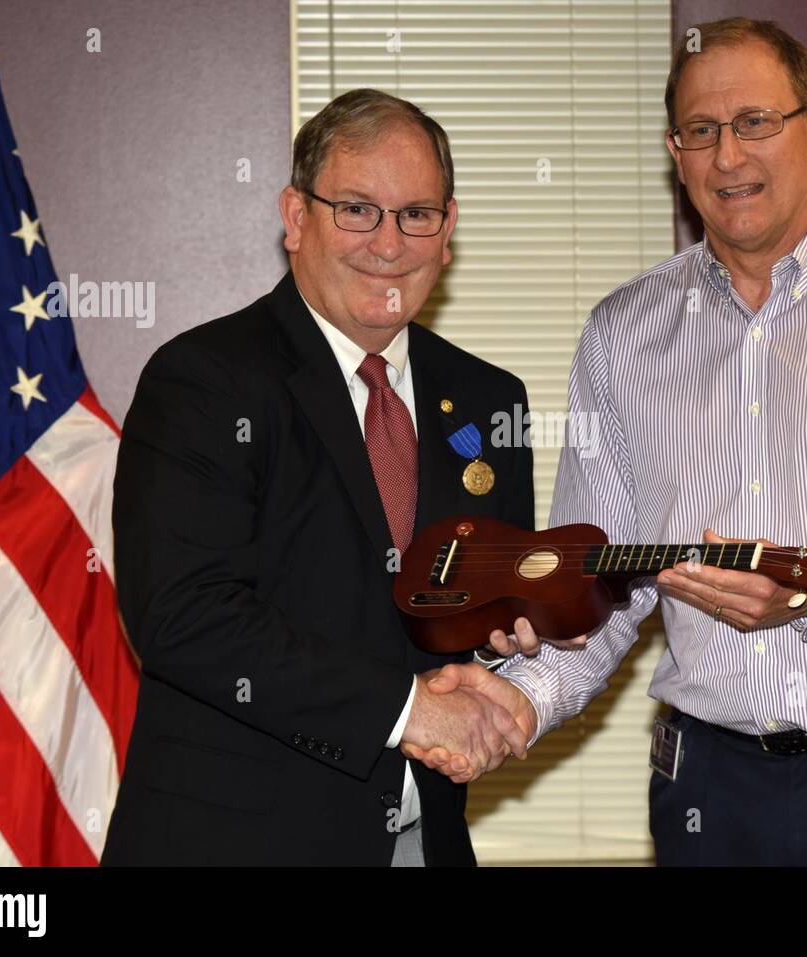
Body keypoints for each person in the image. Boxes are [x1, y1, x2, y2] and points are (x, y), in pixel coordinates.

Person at [410, 18, 807, 866]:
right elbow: (605, 578)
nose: (727, 157)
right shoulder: (624, 333)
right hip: (712, 795)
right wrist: (518, 702)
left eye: (756, 121)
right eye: (701, 131)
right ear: (673, 152)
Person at [102, 89, 550, 866]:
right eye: (356, 209)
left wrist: (511, 645)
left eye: (416, 213)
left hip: (423, 842)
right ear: (296, 216)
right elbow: (181, 615)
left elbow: (475, 616)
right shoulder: (203, 381)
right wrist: (405, 709)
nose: (388, 242)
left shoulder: (488, 398)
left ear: (447, 232)